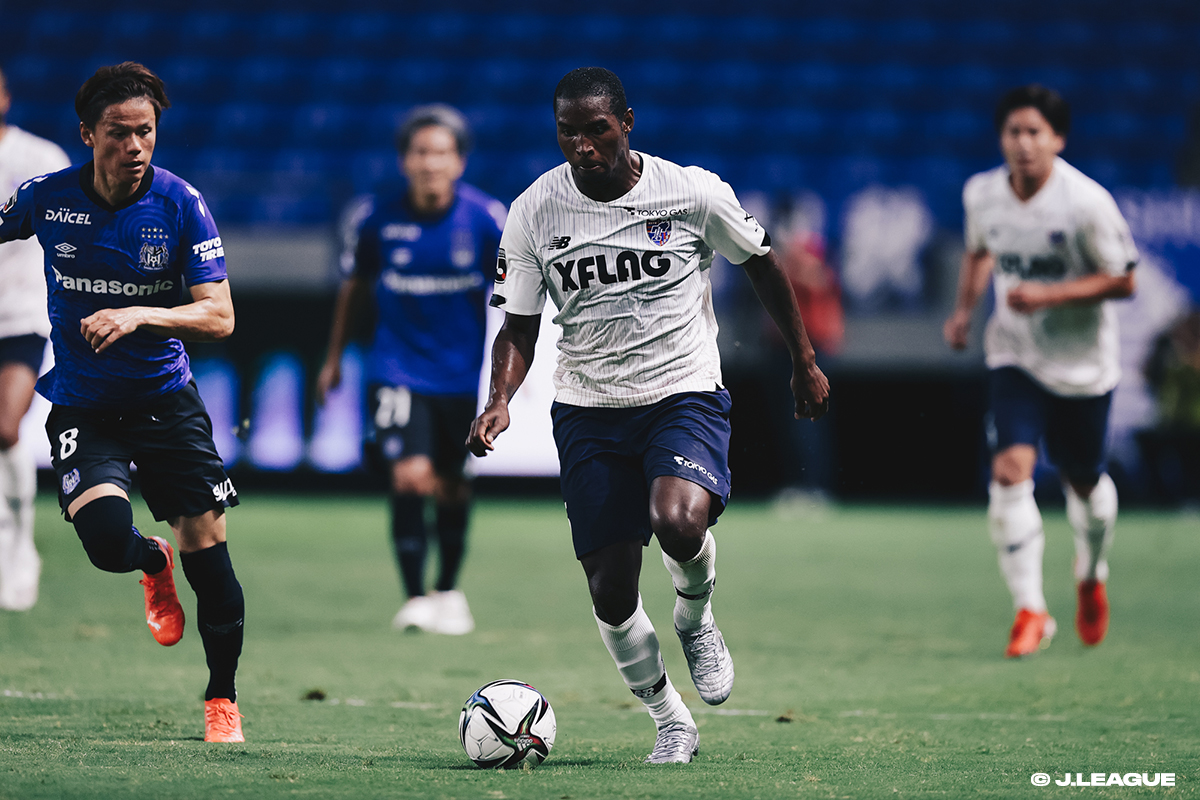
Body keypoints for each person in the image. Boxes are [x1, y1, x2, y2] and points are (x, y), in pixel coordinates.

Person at [468, 67, 829, 763]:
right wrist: (500, 399)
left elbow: (761, 263)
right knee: (609, 589)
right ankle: (670, 717)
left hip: (681, 392)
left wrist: (804, 361)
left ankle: (696, 618)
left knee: (677, 519)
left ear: (626, 123)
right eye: (567, 133)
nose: (582, 146)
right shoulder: (534, 212)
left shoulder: (691, 191)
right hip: (588, 407)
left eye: (596, 130)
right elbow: (518, 326)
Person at [0, 62, 246, 741]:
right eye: (119, 134)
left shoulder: (179, 204)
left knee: (212, 554)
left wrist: (140, 315)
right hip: (84, 405)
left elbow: (220, 316)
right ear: (88, 135)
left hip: (167, 404)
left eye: (146, 132)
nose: (135, 147)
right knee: (108, 544)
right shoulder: (46, 200)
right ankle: (148, 561)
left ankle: (221, 698)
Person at [943, 84, 1138, 658]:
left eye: (1035, 133)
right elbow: (979, 250)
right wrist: (962, 311)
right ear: (1002, 138)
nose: (1024, 144)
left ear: (1057, 139)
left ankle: (1091, 572)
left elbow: (1125, 278)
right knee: (1009, 470)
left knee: (1083, 480)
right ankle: (1030, 608)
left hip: (1083, 367)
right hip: (1016, 354)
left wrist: (1050, 296)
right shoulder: (982, 193)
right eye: (1014, 132)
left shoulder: (1086, 203)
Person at [317, 104, 505, 635]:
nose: (430, 163)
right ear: (405, 161)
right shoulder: (377, 219)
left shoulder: (487, 219)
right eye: (421, 152)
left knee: (451, 486)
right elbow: (352, 288)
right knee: (410, 474)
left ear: (459, 162)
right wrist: (333, 360)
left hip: (460, 376)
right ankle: (415, 596)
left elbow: (519, 293)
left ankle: (447, 589)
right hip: (395, 367)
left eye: (441, 153)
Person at [0, 66, 70, 610]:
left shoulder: (40, 161)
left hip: (21, 316)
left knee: (6, 427)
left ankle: (19, 547)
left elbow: (75, 231)